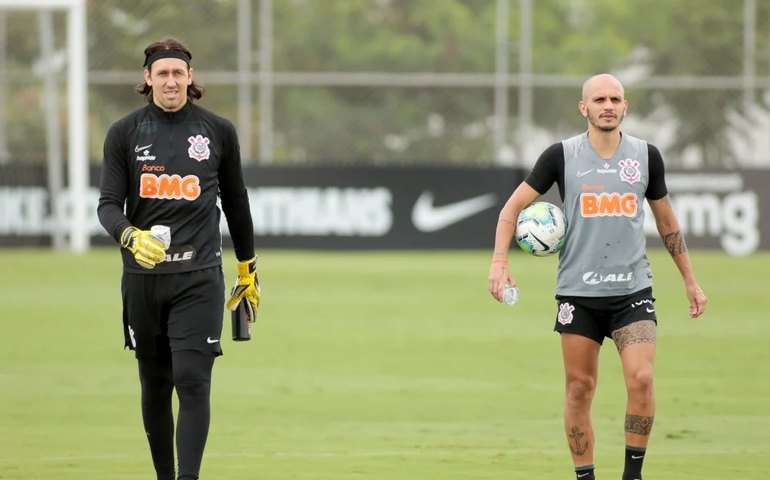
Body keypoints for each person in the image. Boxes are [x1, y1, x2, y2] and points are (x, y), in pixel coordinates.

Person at [487, 73, 707, 480]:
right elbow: (510, 210)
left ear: (625, 107)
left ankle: (632, 475)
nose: (608, 105)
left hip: (632, 292)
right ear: (583, 108)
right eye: (599, 99)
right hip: (578, 294)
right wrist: (500, 262)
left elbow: (668, 225)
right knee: (579, 388)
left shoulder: (645, 156)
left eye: (616, 99)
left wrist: (690, 280)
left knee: (641, 379)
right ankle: (585, 476)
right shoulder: (561, 156)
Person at [97, 37, 261, 480]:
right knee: (155, 385)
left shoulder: (217, 131)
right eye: (162, 73)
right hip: (144, 280)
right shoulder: (124, 133)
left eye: (178, 73)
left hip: (199, 276)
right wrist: (129, 234)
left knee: (192, 379)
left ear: (191, 78)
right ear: (147, 79)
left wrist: (248, 267)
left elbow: (237, 201)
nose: (171, 81)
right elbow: (108, 205)